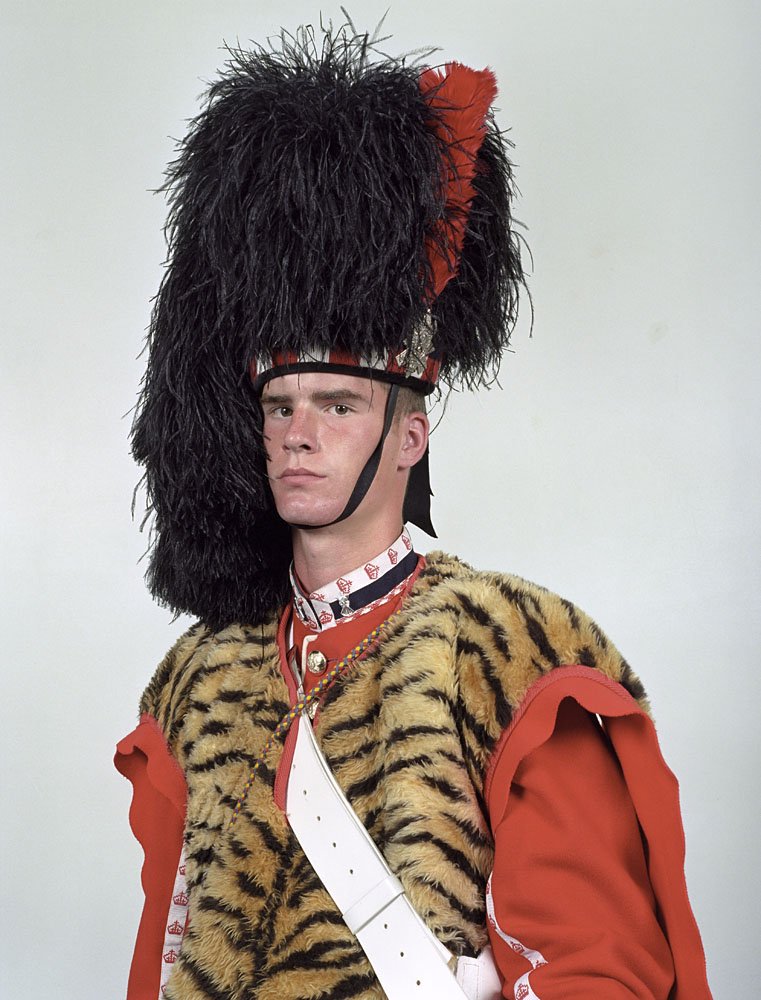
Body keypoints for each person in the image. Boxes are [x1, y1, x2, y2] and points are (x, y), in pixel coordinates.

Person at [116, 21, 712, 1000]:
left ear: (408, 436)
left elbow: (595, 971)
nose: (298, 434)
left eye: (338, 405)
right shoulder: (195, 679)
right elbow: (163, 960)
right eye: (278, 407)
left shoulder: (514, 650)